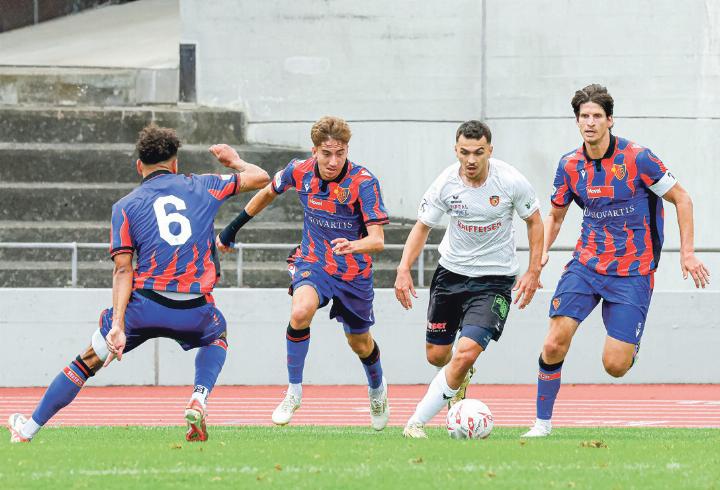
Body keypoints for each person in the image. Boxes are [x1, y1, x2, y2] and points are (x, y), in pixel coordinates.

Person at [6, 126, 270, 443]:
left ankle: (27, 429)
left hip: (145, 308)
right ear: (175, 164)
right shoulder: (203, 185)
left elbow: (122, 270)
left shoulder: (126, 206)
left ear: (138, 166)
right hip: (196, 308)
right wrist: (235, 161)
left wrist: (117, 324)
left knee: (87, 361)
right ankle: (199, 396)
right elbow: (261, 178)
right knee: (217, 336)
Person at [522, 84, 711, 438]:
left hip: (634, 272)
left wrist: (687, 253)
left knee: (615, 366)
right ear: (577, 121)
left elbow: (682, 199)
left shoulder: (639, 158)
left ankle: (630, 345)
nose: (590, 123)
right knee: (553, 342)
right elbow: (556, 215)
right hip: (587, 264)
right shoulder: (570, 165)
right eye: (584, 116)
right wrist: (539, 255)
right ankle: (542, 424)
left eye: (597, 116)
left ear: (610, 120)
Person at [216, 116, 391, 430]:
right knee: (300, 311)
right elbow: (269, 191)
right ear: (315, 151)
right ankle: (294, 391)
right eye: (327, 154)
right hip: (313, 262)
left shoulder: (364, 182)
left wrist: (355, 245)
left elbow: (377, 240)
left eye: (340, 153)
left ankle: (377, 389)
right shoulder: (299, 170)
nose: (334, 160)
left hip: (353, 273)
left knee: (360, 343)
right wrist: (231, 229)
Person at [395, 120, 544, 438]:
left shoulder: (510, 181)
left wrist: (533, 271)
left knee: (465, 353)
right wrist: (404, 268)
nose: (472, 159)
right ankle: (458, 377)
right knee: (437, 355)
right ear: (456, 150)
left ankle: (415, 422)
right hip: (450, 274)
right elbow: (422, 227)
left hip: (494, 280)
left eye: (479, 152)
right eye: (465, 152)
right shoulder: (445, 184)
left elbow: (534, 221)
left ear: (490, 149)